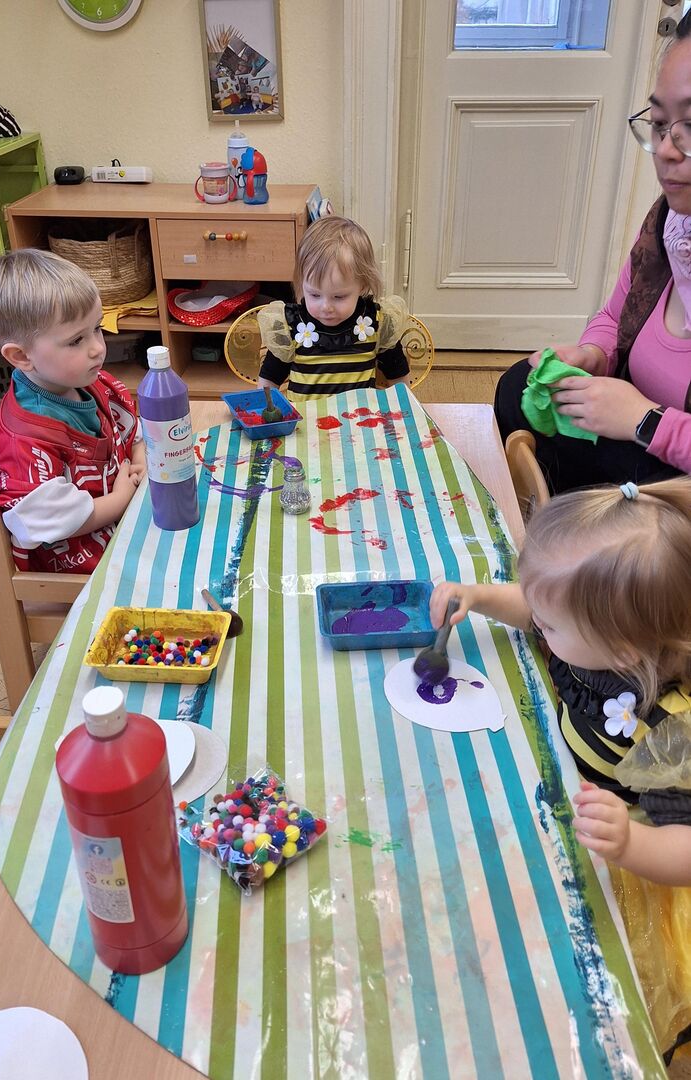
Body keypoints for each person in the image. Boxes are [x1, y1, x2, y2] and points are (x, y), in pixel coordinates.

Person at [430, 477, 691, 1056]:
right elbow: (536, 608)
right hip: (566, 786)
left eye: (549, 627)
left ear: (621, 650)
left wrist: (633, 844)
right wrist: (477, 596)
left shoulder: (666, 730)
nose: (538, 627)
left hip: (629, 856)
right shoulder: (593, 634)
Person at [494, 13, 691, 493]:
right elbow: (614, 315)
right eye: (660, 124)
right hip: (644, 439)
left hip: (670, 464)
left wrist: (646, 421)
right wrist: (593, 355)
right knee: (518, 388)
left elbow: (645, 427)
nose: (666, 150)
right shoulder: (669, 223)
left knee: (635, 489)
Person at [0, 248, 145, 574]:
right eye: (76, 340)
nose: (98, 348)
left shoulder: (88, 380)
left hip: (125, 525)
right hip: (79, 571)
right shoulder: (24, 442)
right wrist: (122, 498)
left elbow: (132, 431)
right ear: (21, 356)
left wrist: (140, 459)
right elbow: (56, 521)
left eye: (97, 328)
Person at [257, 216, 411, 401]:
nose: (326, 307)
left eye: (339, 297)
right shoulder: (290, 326)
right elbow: (270, 378)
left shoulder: (376, 322)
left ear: (362, 285)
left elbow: (398, 373)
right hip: (304, 418)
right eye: (314, 295)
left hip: (359, 416)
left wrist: (406, 405)